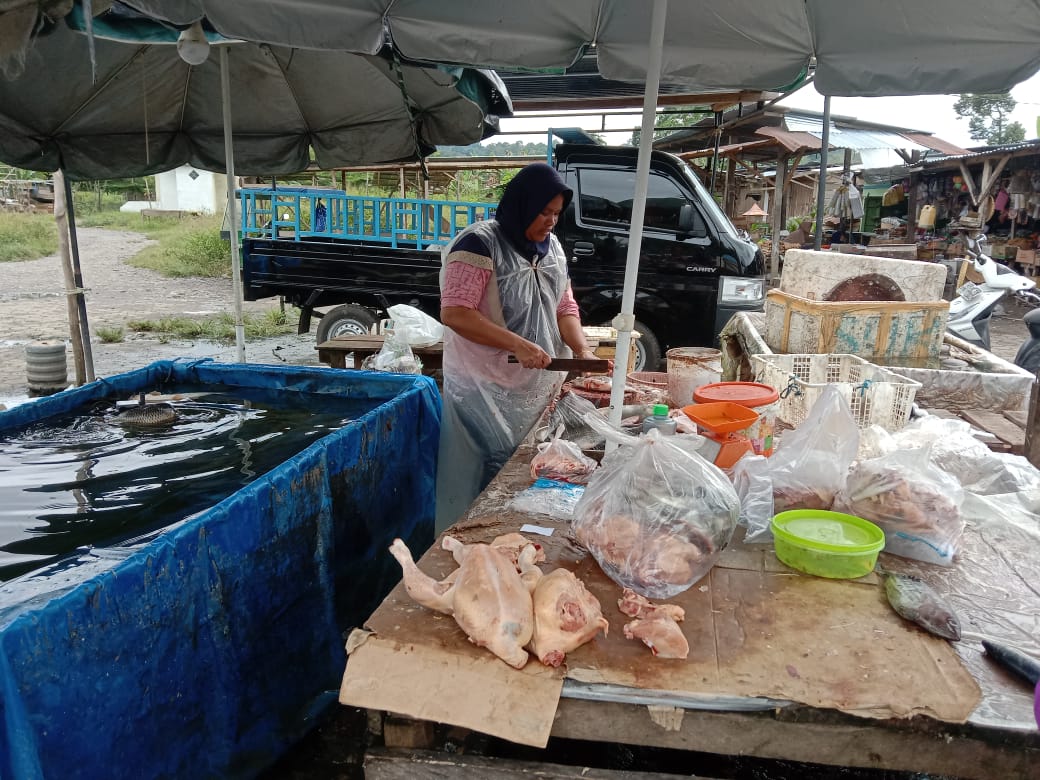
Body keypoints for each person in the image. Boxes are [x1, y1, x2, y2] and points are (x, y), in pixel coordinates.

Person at [435, 163, 599, 532]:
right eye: (544, 212)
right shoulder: (478, 244)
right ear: (522, 205)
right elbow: (456, 313)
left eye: (557, 213)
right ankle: (474, 539)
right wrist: (518, 344)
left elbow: (564, 306)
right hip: (483, 385)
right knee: (488, 474)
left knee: (527, 468)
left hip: (536, 382)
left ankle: (518, 537)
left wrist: (583, 351)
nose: (552, 221)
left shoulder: (551, 247)